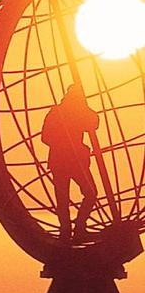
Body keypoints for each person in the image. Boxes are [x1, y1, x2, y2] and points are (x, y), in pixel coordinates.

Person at [41, 84, 99, 243]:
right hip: (66, 161)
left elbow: (94, 123)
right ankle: (70, 230)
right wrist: (64, 144)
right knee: (76, 196)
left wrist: (85, 109)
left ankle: (75, 228)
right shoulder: (59, 113)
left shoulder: (77, 112)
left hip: (71, 161)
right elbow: (45, 136)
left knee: (87, 193)